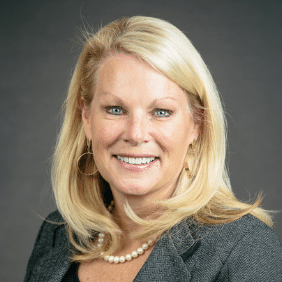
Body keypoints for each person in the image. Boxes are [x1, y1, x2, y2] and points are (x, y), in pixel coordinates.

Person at [24, 16, 282, 282]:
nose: (136, 134)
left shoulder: (243, 248)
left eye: (161, 112)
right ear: (86, 117)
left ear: (197, 125)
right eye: (115, 109)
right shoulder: (57, 234)